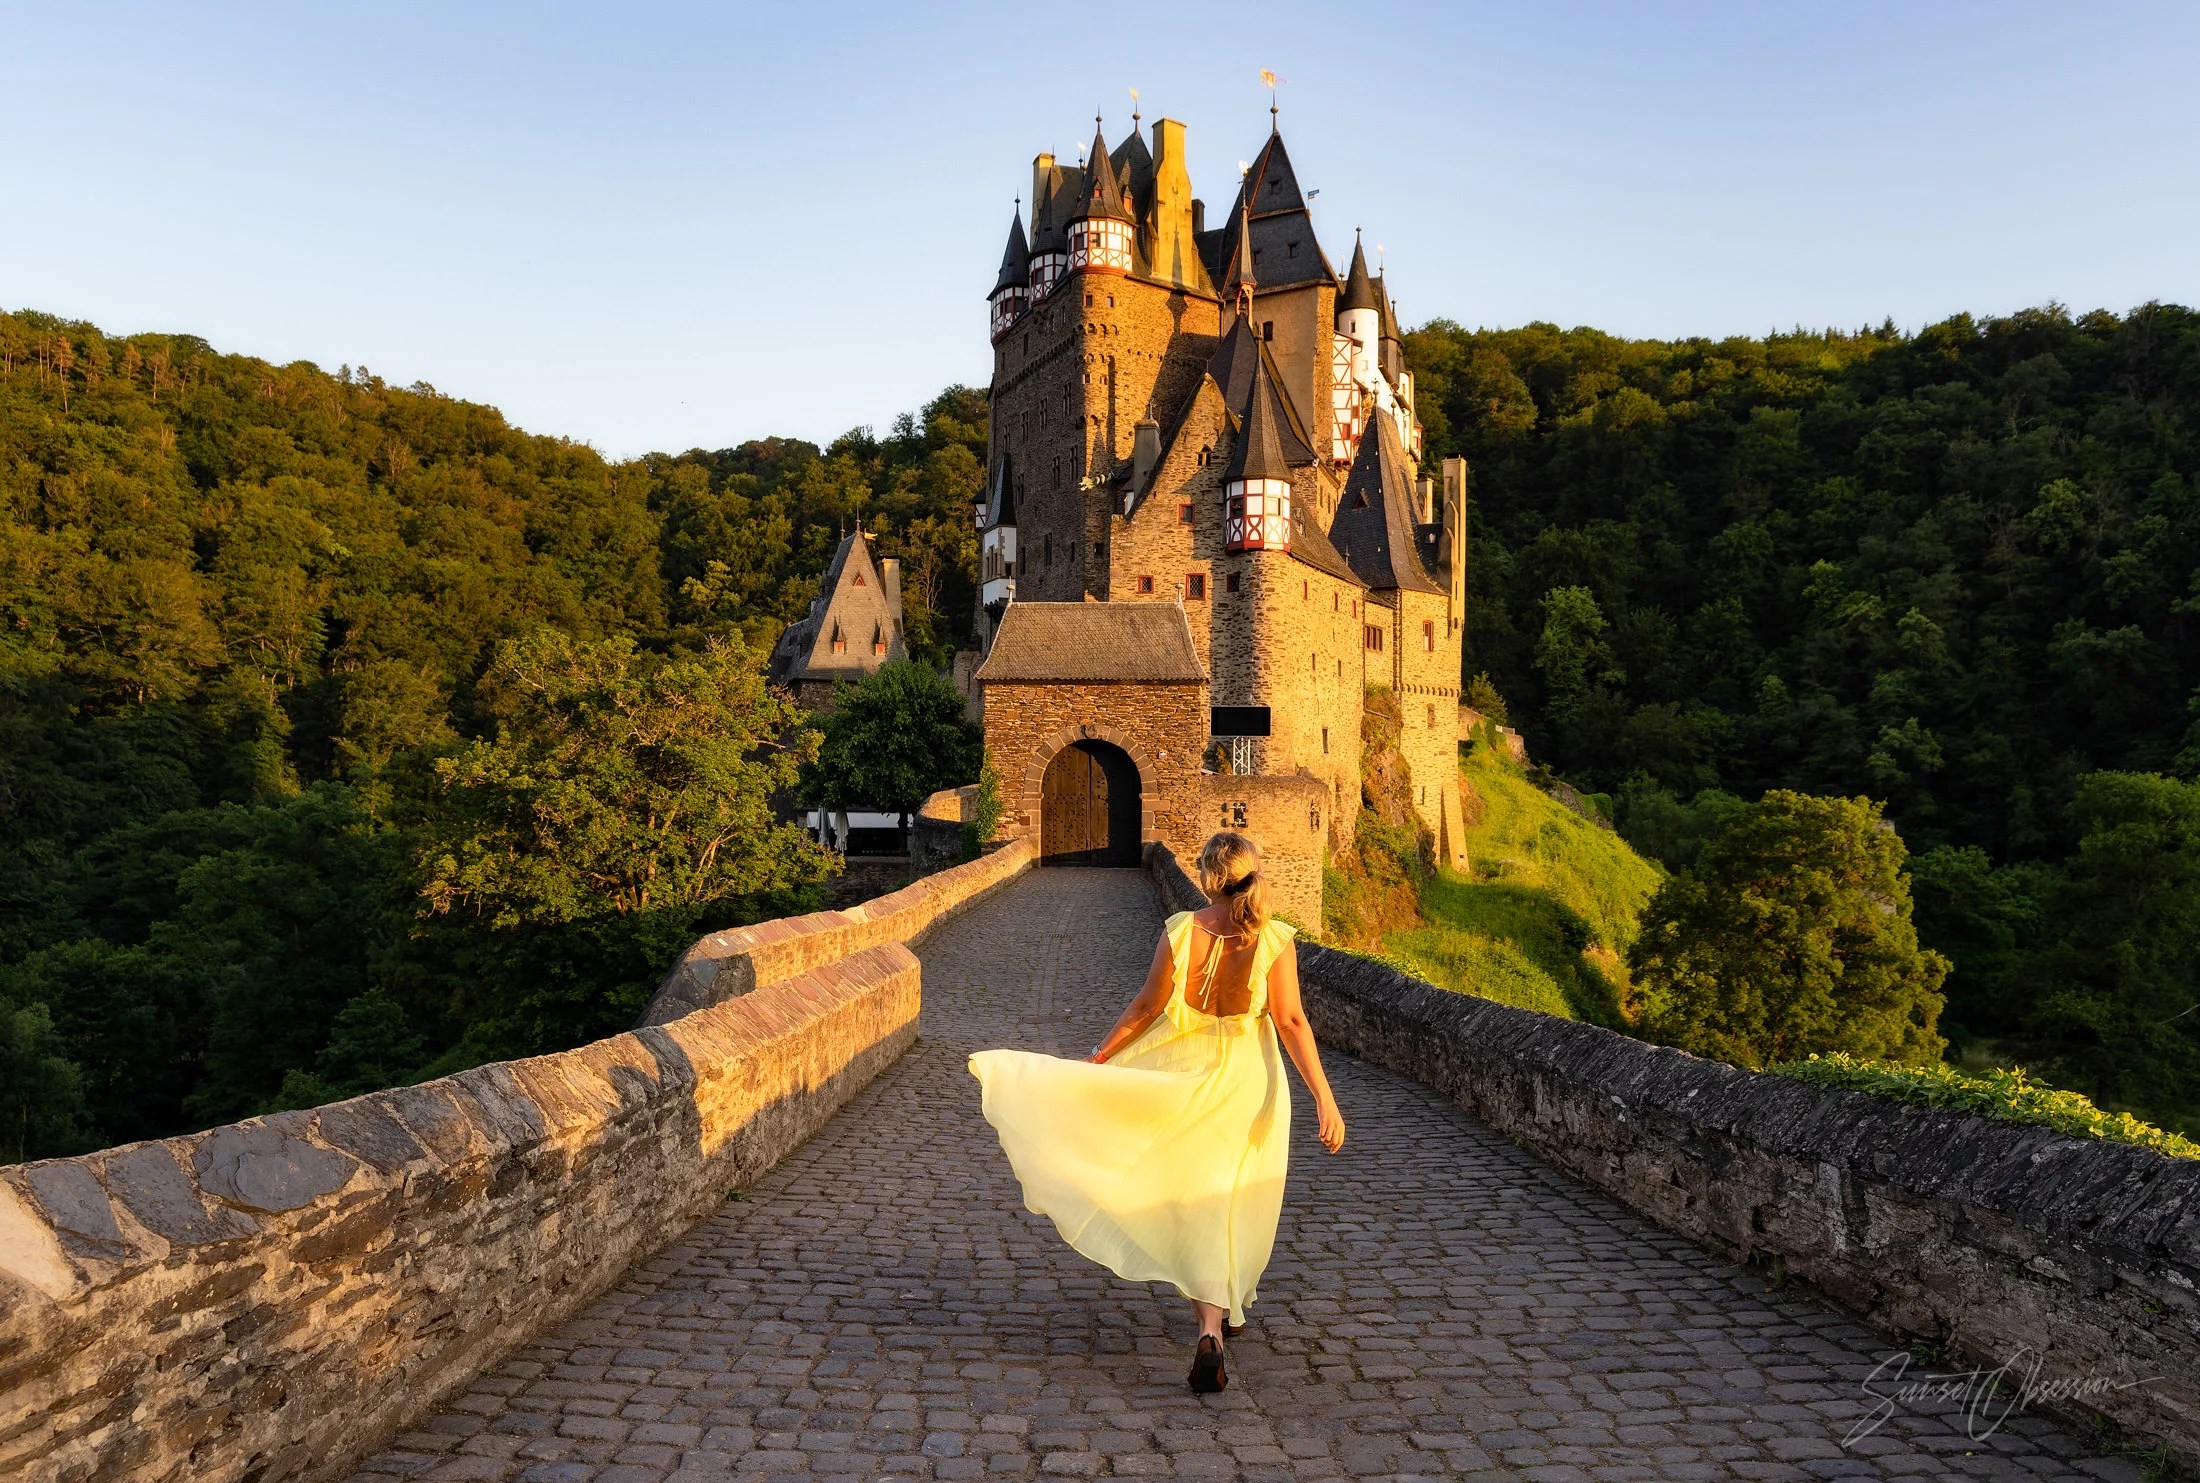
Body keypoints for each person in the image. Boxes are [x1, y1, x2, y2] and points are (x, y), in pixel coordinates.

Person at [967, 830, 1347, 1394]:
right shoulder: (1273, 941)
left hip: (1185, 1075)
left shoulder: (1181, 932)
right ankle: (1221, 1320)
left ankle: (1216, 1325)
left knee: (1192, 1195)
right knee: (1230, 1196)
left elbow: (1146, 1007)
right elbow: (1290, 1021)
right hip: (1246, 1081)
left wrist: (1100, 1057)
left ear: (1205, 878)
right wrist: (1324, 1096)